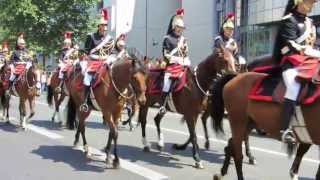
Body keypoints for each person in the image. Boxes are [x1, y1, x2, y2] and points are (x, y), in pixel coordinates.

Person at [273, 0, 319, 144]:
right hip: (292, 63)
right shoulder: (289, 20)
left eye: (312, 3)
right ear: (298, 3)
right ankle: (284, 129)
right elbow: (290, 43)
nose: (311, 5)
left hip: (311, 61)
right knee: (293, 87)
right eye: (308, 2)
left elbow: (315, 43)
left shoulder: (310, 22)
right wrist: (309, 51)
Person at [80, 8, 115, 112]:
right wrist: (85, 59)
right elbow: (86, 50)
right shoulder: (91, 37)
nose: (104, 28)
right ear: (98, 26)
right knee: (87, 78)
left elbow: (112, 52)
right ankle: (85, 101)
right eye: (102, 25)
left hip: (106, 61)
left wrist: (110, 59)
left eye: (105, 26)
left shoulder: (110, 39)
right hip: (93, 61)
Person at [159, 8, 190, 114]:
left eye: (181, 28)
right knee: (166, 84)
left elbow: (186, 53)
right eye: (178, 27)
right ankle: (162, 105)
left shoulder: (184, 40)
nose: (180, 30)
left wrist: (186, 61)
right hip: (171, 66)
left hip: (182, 66)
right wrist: (177, 59)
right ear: (174, 27)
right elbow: (166, 54)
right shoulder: (167, 38)